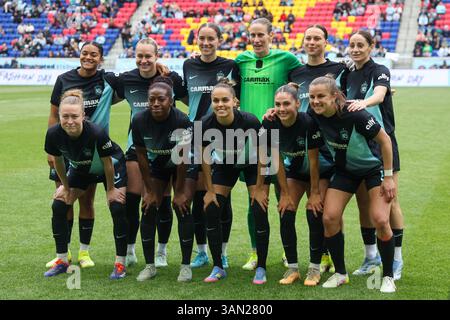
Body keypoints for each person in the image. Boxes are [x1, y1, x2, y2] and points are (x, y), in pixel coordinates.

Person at [307, 75, 397, 293]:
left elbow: (385, 141)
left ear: (335, 96)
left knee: (381, 219)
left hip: (373, 170)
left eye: (321, 96)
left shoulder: (355, 113)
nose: (316, 101)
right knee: (329, 217)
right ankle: (340, 273)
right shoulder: (313, 114)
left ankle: (387, 276)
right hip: (345, 172)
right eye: (312, 97)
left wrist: (389, 177)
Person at [235, 17, 301, 270]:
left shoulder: (287, 59)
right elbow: (225, 81)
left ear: (271, 36)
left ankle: (288, 252)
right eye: (253, 35)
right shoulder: (241, 61)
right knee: (255, 200)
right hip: (249, 141)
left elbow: (303, 80)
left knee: (283, 197)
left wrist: (291, 90)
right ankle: (255, 252)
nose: (256, 39)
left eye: (261, 34)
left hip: (278, 138)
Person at [114, 38, 186, 268]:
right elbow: (105, 93)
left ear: (157, 56)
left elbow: (192, 99)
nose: (144, 60)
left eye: (148, 56)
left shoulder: (171, 79)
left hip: (166, 150)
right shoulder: (125, 79)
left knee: (162, 202)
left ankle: (161, 251)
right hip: (138, 146)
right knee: (134, 200)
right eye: (140, 56)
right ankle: (131, 249)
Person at [46, 41, 119, 269]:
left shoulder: (107, 79)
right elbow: (54, 114)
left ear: (101, 58)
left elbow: (138, 79)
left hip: (93, 152)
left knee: (87, 200)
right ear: (79, 55)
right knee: (63, 198)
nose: (88, 57)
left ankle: (84, 253)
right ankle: (63, 252)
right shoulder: (64, 79)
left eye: (94, 54)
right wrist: (52, 149)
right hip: (65, 148)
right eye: (85, 53)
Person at [44, 89, 128, 279]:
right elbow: (58, 161)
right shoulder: (53, 134)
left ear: (83, 115)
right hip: (81, 168)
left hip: (111, 165)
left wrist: (111, 190)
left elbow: (107, 163)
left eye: (74, 116)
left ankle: (120, 264)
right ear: (59, 116)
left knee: (117, 207)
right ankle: (62, 260)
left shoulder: (96, 133)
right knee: (59, 205)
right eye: (65, 116)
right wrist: (65, 187)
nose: (70, 121)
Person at [257, 83, 333, 285]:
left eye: (286, 104)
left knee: (314, 211)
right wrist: (284, 193)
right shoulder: (270, 123)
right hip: (296, 171)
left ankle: (314, 269)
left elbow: (315, 161)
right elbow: (277, 160)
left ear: (298, 104)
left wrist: (315, 192)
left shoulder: (308, 122)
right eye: (278, 104)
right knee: (286, 210)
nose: (282, 109)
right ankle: (292, 269)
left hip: (320, 171)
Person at [287, 25, 348, 274]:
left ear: (326, 42)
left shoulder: (339, 69)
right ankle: (307, 255)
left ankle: (329, 256)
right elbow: (288, 100)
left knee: (324, 208)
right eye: (308, 38)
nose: (312, 42)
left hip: (327, 147)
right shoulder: (295, 71)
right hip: (298, 145)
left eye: (317, 38)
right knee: (296, 207)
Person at [345, 30, 404, 281]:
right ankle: (371, 257)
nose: (356, 49)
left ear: (372, 46)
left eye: (361, 45)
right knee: (363, 203)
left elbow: (379, 94)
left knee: (390, 204)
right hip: (357, 145)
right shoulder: (347, 72)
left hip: (382, 144)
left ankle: (397, 259)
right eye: (352, 45)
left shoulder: (380, 70)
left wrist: (363, 103)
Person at [183, 23, 241, 269]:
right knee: (199, 197)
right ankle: (202, 251)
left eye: (211, 38)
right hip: (196, 136)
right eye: (202, 38)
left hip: (224, 138)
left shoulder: (230, 66)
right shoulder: (188, 64)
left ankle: (223, 251)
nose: (206, 43)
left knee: (220, 199)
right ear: (197, 40)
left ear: (220, 39)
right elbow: (186, 95)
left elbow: (238, 98)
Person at [200, 79, 268, 283]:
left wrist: (258, 188)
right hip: (226, 164)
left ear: (235, 102)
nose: (220, 104)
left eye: (224, 100)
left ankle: (261, 267)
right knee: (212, 208)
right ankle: (218, 266)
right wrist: (210, 190)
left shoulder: (249, 121)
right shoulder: (205, 123)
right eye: (215, 100)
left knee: (259, 207)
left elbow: (263, 153)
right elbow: (204, 158)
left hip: (251, 163)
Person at [132, 77, 194, 282]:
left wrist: (181, 191)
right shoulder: (139, 120)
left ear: (171, 100)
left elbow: (183, 157)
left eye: (161, 99)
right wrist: (149, 191)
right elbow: (141, 155)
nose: (156, 103)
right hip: (157, 163)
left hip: (181, 164)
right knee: (148, 207)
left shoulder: (182, 120)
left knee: (182, 207)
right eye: (152, 100)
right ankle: (150, 266)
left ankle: (185, 266)